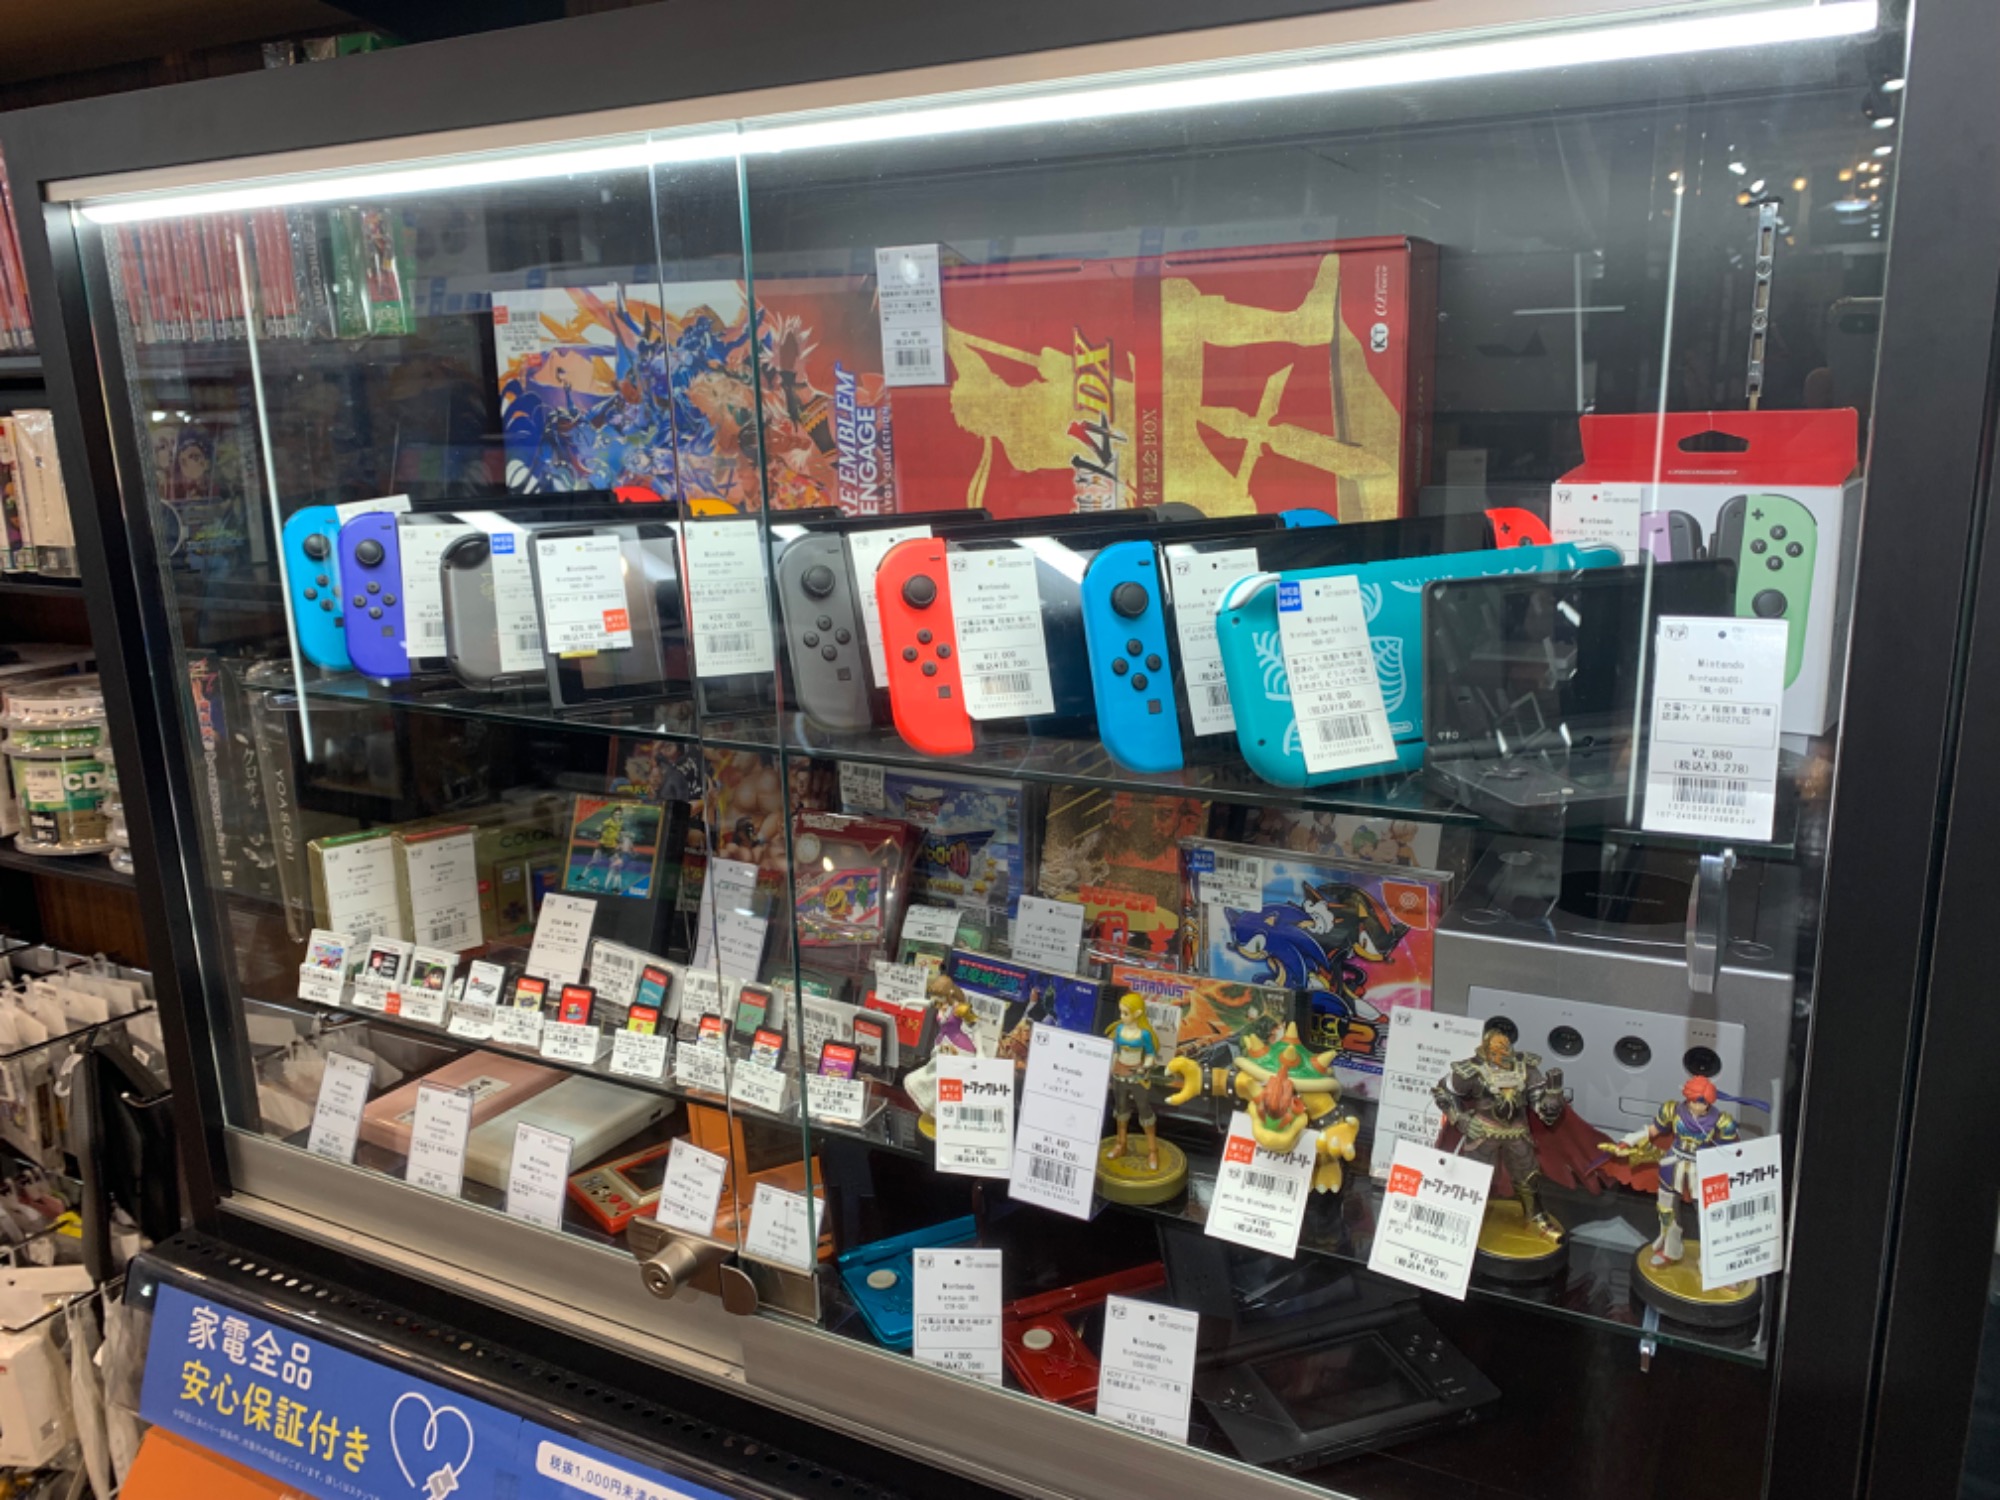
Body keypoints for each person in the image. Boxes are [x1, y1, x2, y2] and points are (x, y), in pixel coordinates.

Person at [1603, 1076, 1741, 1268]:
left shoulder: (1722, 1121)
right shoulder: (1673, 1110)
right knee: (1666, 1210)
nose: (1696, 1106)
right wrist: (1629, 1141)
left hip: (1701, 1168)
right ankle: (1671, 1250)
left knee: (1710, 1214)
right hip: (1672, 1164)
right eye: (1693, 1100)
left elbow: (1729, 1150)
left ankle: (1713, 1258)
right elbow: (1653, 1130)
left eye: (1701, 1102)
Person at [1103, 994, 1161, 1172]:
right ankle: (1121, 1144)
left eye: (1125, 1013)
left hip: (1137, 1076)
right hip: (1119, 1074)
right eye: (1121, 1012)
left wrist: (1145, 1067)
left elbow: (1150, 1054)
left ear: (1137, 1013)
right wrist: (1110, 1068)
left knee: (1144, 1111)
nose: (1122, 1016)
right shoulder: (1119, 1030)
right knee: (1121, 1109)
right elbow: (1116, 1052)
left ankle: (1152, 1151)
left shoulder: (1144, 1034)